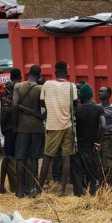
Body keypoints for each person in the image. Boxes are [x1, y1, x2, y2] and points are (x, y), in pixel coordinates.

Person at [38, 61, 78, 196]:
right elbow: (75, 104)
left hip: (53, 126)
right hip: (67, 126)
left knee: (47, 158)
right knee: (66, 158)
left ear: (55, 72)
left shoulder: (47, 85)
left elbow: (42, 102)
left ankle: (39, 189)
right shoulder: (72, 86)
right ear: (67, 73)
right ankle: (62, 191)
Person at [13, 65, 44, 198]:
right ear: (39, 76)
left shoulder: (18, 87)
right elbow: (44, 109)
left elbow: (14, 105)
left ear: (28, 73)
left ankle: (19, 191)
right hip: (37, 128)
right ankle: (31, 190)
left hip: (22, 128)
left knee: (20, 159)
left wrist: (15, 125)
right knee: (34, 159)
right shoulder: (40, 89)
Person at [70, 83, 106, 196]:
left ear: (80, 97)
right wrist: (98, 142)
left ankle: (79, 195)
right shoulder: (98, 109)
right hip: (91, 147)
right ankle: (92, 194)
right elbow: (103, 125)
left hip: (78, 146)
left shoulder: (77, 110)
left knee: (77, 173)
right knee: (92, 173)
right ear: (91, 96)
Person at [0, 68, 21, 194]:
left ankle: (1, 186)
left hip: (6, 127)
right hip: (16, 127)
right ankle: (18, 188)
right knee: (18, 157)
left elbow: (2, 110)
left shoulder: (3, 90)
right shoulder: (19, 88)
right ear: (20, 77)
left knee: (6, 158)